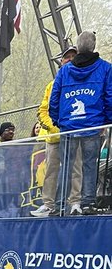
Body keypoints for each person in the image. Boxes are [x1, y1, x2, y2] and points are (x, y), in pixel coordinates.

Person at [49, 29, 112, 216]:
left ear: (78, 47)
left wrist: (59, 121)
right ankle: (87, 204)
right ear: (93, 46)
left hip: (68, 127)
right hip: (93, 126)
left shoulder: (64, 70)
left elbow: (55, 98)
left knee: (66, 166)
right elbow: (109, 97)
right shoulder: (105, 68)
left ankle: (60, 205)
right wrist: (106, 123)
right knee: (90, 165)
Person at [33, 44, 82, 217]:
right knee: (51, 171)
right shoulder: (52, 85)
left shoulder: (82, 82)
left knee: (76, 169)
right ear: (61, 62)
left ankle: (75, 202)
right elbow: (42, 111)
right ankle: (48, 205)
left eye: (73, 57)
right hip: (54, 137)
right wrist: (57, 128)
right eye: (67, 57)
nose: (70, 60)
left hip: (74, 135)